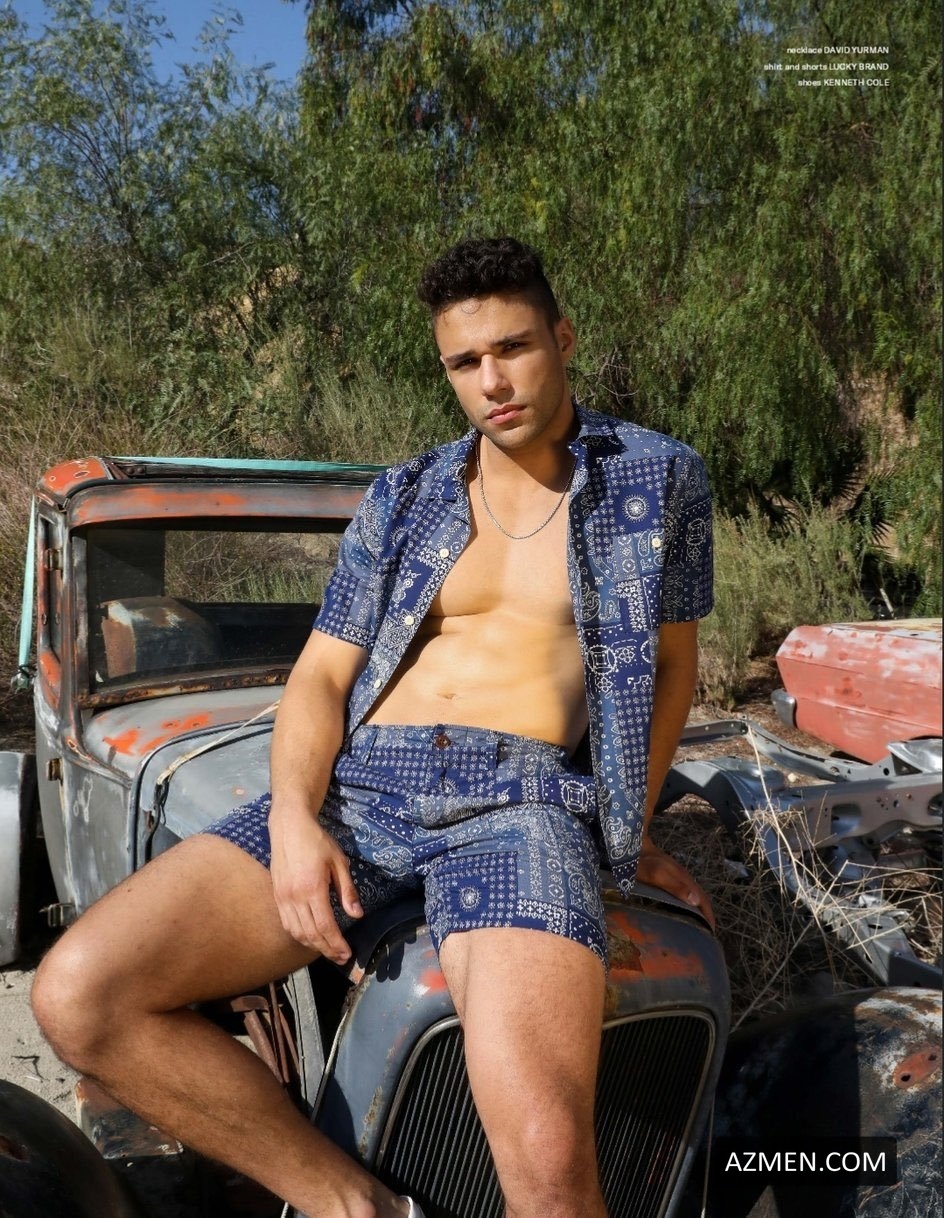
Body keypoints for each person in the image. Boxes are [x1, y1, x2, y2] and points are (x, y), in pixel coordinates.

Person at [32, 236, 714, 1218]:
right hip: (365, 789)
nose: (492, 382)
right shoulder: (406, 495)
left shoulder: (658, 478)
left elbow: (672, 667)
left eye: (513, 348)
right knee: (80, 995)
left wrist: (626, 821)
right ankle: (357, 1205)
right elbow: (320, 675)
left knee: (549, 1167)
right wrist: (293, 817)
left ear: (562, 339)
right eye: (464, 362)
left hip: (517, 806)